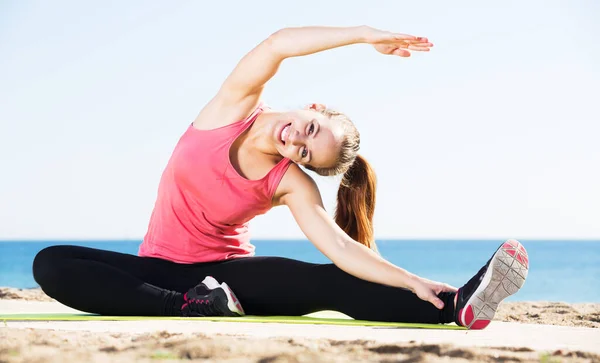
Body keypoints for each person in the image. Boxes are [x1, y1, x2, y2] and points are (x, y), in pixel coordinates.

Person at [32, 25, 529, 329]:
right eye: (310, 128)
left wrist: (414, 281)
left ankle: (456, 306)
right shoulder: (233, 108)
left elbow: (339, 249)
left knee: (329, 283)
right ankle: (190, 308)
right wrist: (363, 34)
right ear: (314, 107)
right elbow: (279, 43)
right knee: (51, 263)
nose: (297, 141)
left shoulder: (288, 182)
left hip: (226, 277)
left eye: (307, 152)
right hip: (162, 273)